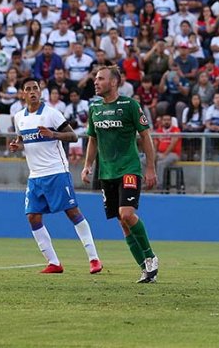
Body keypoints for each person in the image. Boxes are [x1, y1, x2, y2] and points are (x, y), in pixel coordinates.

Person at [8, 77, 103, 275]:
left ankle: (94, 259)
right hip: (35, 176)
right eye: (28, 89)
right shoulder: (19, 117)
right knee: (33, 217)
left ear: (40, 91)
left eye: (36, 88)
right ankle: (54, 263)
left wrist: (54, 135)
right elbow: (21, 139)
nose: (33, 91)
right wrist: (18, 146)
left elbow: (73, 136)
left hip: (56, 172)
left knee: (72, 212)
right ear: (23, 94)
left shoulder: (51, 114)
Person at [82, 65, 160, 283]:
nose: (96, 82)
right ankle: (145, 269)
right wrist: (87, 165)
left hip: (129, 168)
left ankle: (151, 257)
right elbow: (93, 139)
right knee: (122, 222)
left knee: (126, 214)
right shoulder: (94, 109)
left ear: (114, 82)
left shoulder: (130, 105)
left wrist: (150, 167)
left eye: (100, 79)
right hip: (106, 172)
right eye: (95, 79)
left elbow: (145, 136)